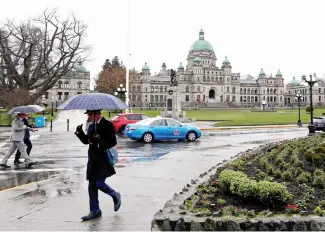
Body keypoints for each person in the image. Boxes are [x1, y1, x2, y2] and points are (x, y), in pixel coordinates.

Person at [75, 109, 121, 221]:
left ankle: (115, 194)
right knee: (92, 186)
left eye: (90, 114)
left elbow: (112, 142)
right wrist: (80, 133)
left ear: (97, 113)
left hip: (103, 160)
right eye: (88, 114)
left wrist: (98, 142)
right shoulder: (91, 126)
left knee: (99, 183)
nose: (89, 116)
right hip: (92, 160)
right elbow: (87, 141)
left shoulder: (107, 125)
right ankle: (95, 210)